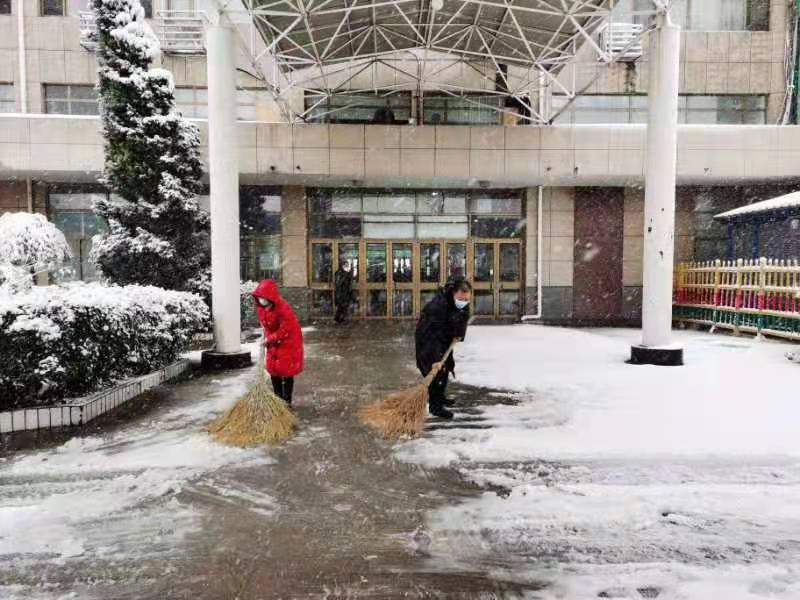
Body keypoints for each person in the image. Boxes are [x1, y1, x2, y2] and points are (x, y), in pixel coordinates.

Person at [415, 276, 472, 420]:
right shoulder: (437, 307)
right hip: (428, 340)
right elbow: (434, 335)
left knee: (446, 367)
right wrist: (435, 358)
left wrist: (459, 334)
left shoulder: (461, 303)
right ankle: (435, 407)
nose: (464, 302)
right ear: (453, 293)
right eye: (461, 299)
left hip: (444, 338)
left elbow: (463, 318)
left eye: (466, 299)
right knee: (434, 372)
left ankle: (440, 398)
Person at [252, 279, 304, 405]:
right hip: (273, 340)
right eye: (259, 298)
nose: (261, 300)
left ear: (270, 297)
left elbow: (287, 328)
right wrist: (267, 336)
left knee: (286, 370)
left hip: (289, 341)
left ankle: (286, 401)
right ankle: (277, 400)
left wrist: (270, 338)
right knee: (273, 369)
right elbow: (266, 325)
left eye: (263, 298)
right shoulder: (261, 308)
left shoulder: (283, 308)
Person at [334, 259, 354, 324]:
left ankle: (339, 319)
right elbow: (338, 283)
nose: (347, 266)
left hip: (346, 292)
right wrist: (346, 275)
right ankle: (342, 319)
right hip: (341, 293)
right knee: (343, 306)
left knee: (343, 307)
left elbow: (349, 282)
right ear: (342, 265)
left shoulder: (347, 272)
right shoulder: (339, 273)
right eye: (345, 265)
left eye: (347, 265)